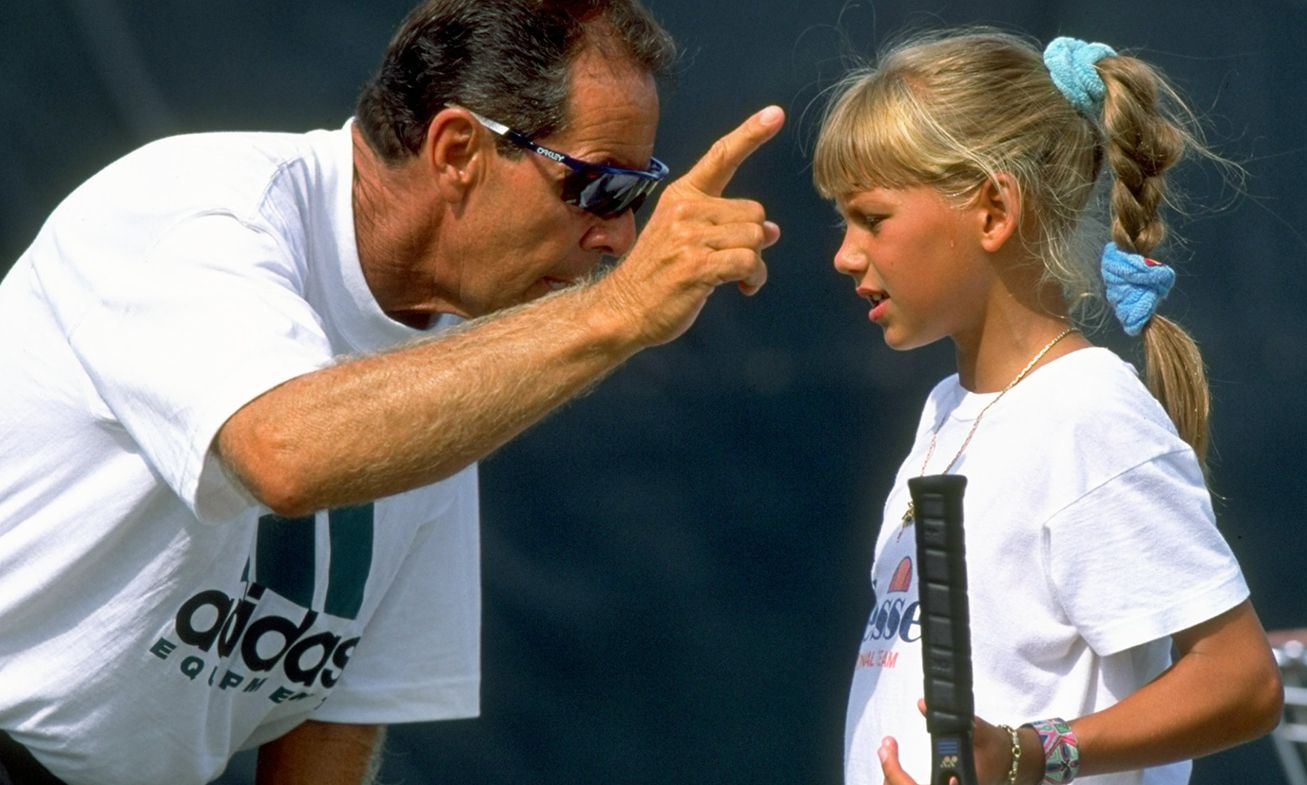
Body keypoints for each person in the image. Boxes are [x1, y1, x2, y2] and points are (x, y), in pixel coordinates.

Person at [0, 1, 785, 783]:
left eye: (637, 195)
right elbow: (284, 453)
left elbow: (335, 715)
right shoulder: (193, 207)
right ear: (457, 150)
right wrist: (619, 311)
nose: (619, 240)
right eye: (599, 188)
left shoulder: (449, 353)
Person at [811, 29, 1283, 785]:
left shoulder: (1086, 412)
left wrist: (1031, 753)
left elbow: (1242, 680)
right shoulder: (945, 410)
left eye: (871, 217)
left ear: (994, 209)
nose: (844, 253)